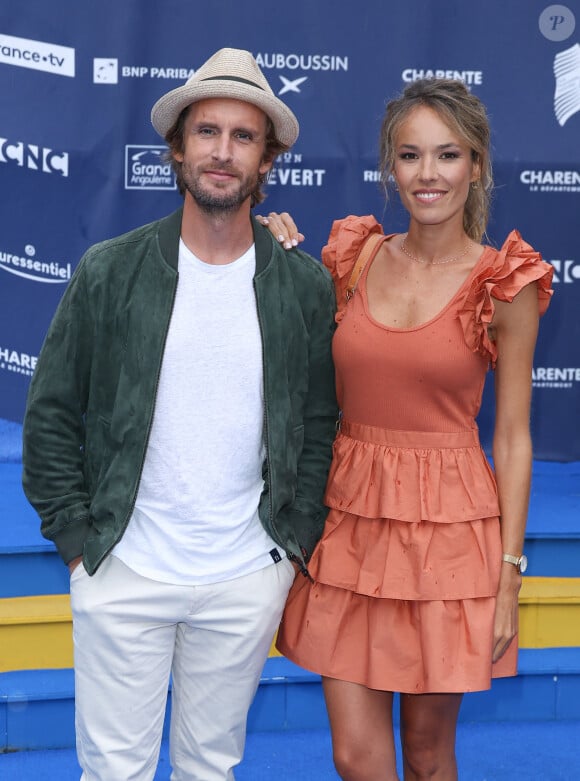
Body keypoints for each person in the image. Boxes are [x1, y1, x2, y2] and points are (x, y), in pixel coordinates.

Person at [21, 47, 337, 781]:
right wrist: (80, 545)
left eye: (243, 136)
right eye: (207, 132)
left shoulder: (301, 286)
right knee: (114, 772)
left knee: (209, 768)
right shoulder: (110, 270)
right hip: (122, 566)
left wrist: (288, 547)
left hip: (244, 575)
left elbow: (320, 424)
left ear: (267, 161)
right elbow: (52, 416)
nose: (222, 153)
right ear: (177, 148)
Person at [260, 78, 554, 780]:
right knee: (355, 754)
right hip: (351, 524)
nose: (429, 174)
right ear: (390, 167)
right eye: (411, 155)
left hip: (449, 534)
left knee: (425, 757)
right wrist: (265, 250)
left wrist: (508, 579)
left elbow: (512, 436)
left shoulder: (502, 283)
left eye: (448, 155)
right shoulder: (351, 258)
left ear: (476, 166)